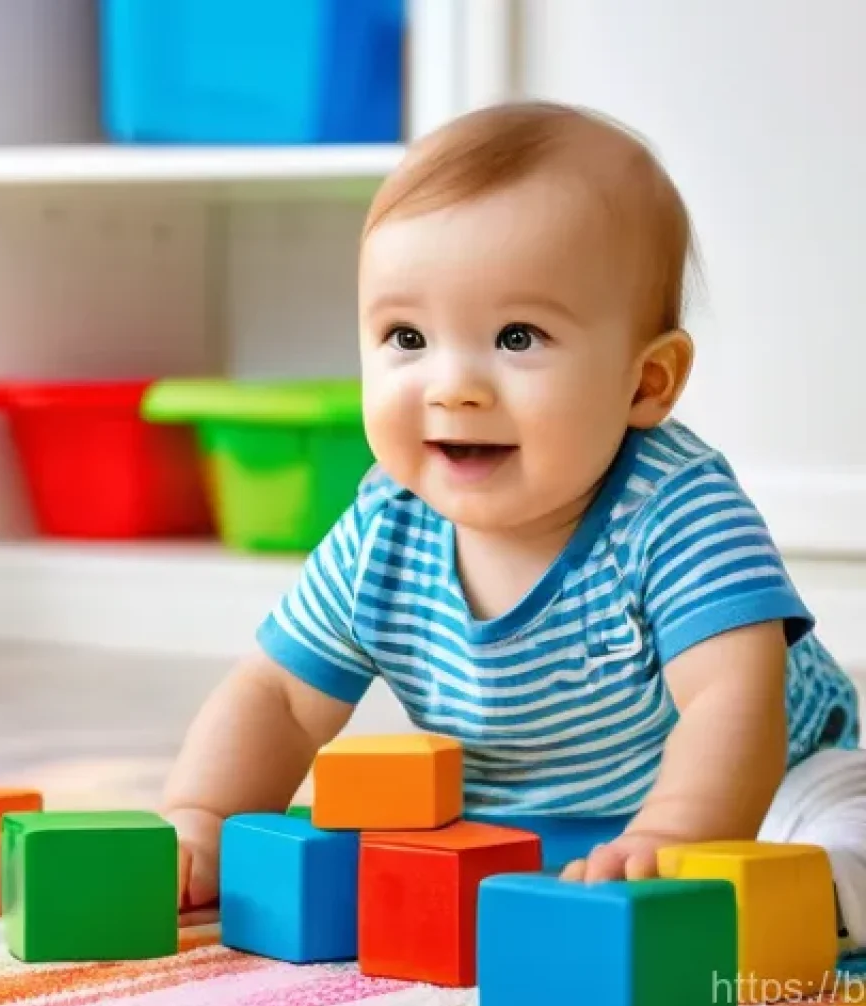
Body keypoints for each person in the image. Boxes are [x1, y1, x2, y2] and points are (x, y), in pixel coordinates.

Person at [162, 101, 866, 948]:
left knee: (842, 830)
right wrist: (202, 816)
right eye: (408, 336)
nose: (453, 386)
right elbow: (276, 697)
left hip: (771, 784)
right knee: (367, 843)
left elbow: (732, 699)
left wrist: (676, 836)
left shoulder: (675, 509)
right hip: (509, 821)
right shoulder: (386, 526)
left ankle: (812, 906)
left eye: (517, 336)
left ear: (646, 383)